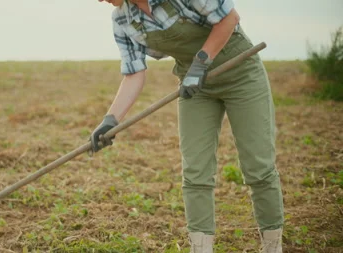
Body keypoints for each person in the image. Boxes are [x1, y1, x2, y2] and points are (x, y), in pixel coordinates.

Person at [90, 0, 285, 252]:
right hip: (195, 88)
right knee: (195, 171)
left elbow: (229, 18)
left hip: (240, 74)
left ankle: (272, 246)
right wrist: (110, 120)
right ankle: (201, 247)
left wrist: (201, 62)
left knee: (258, 166)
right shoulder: (122, 20)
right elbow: (134, 73)